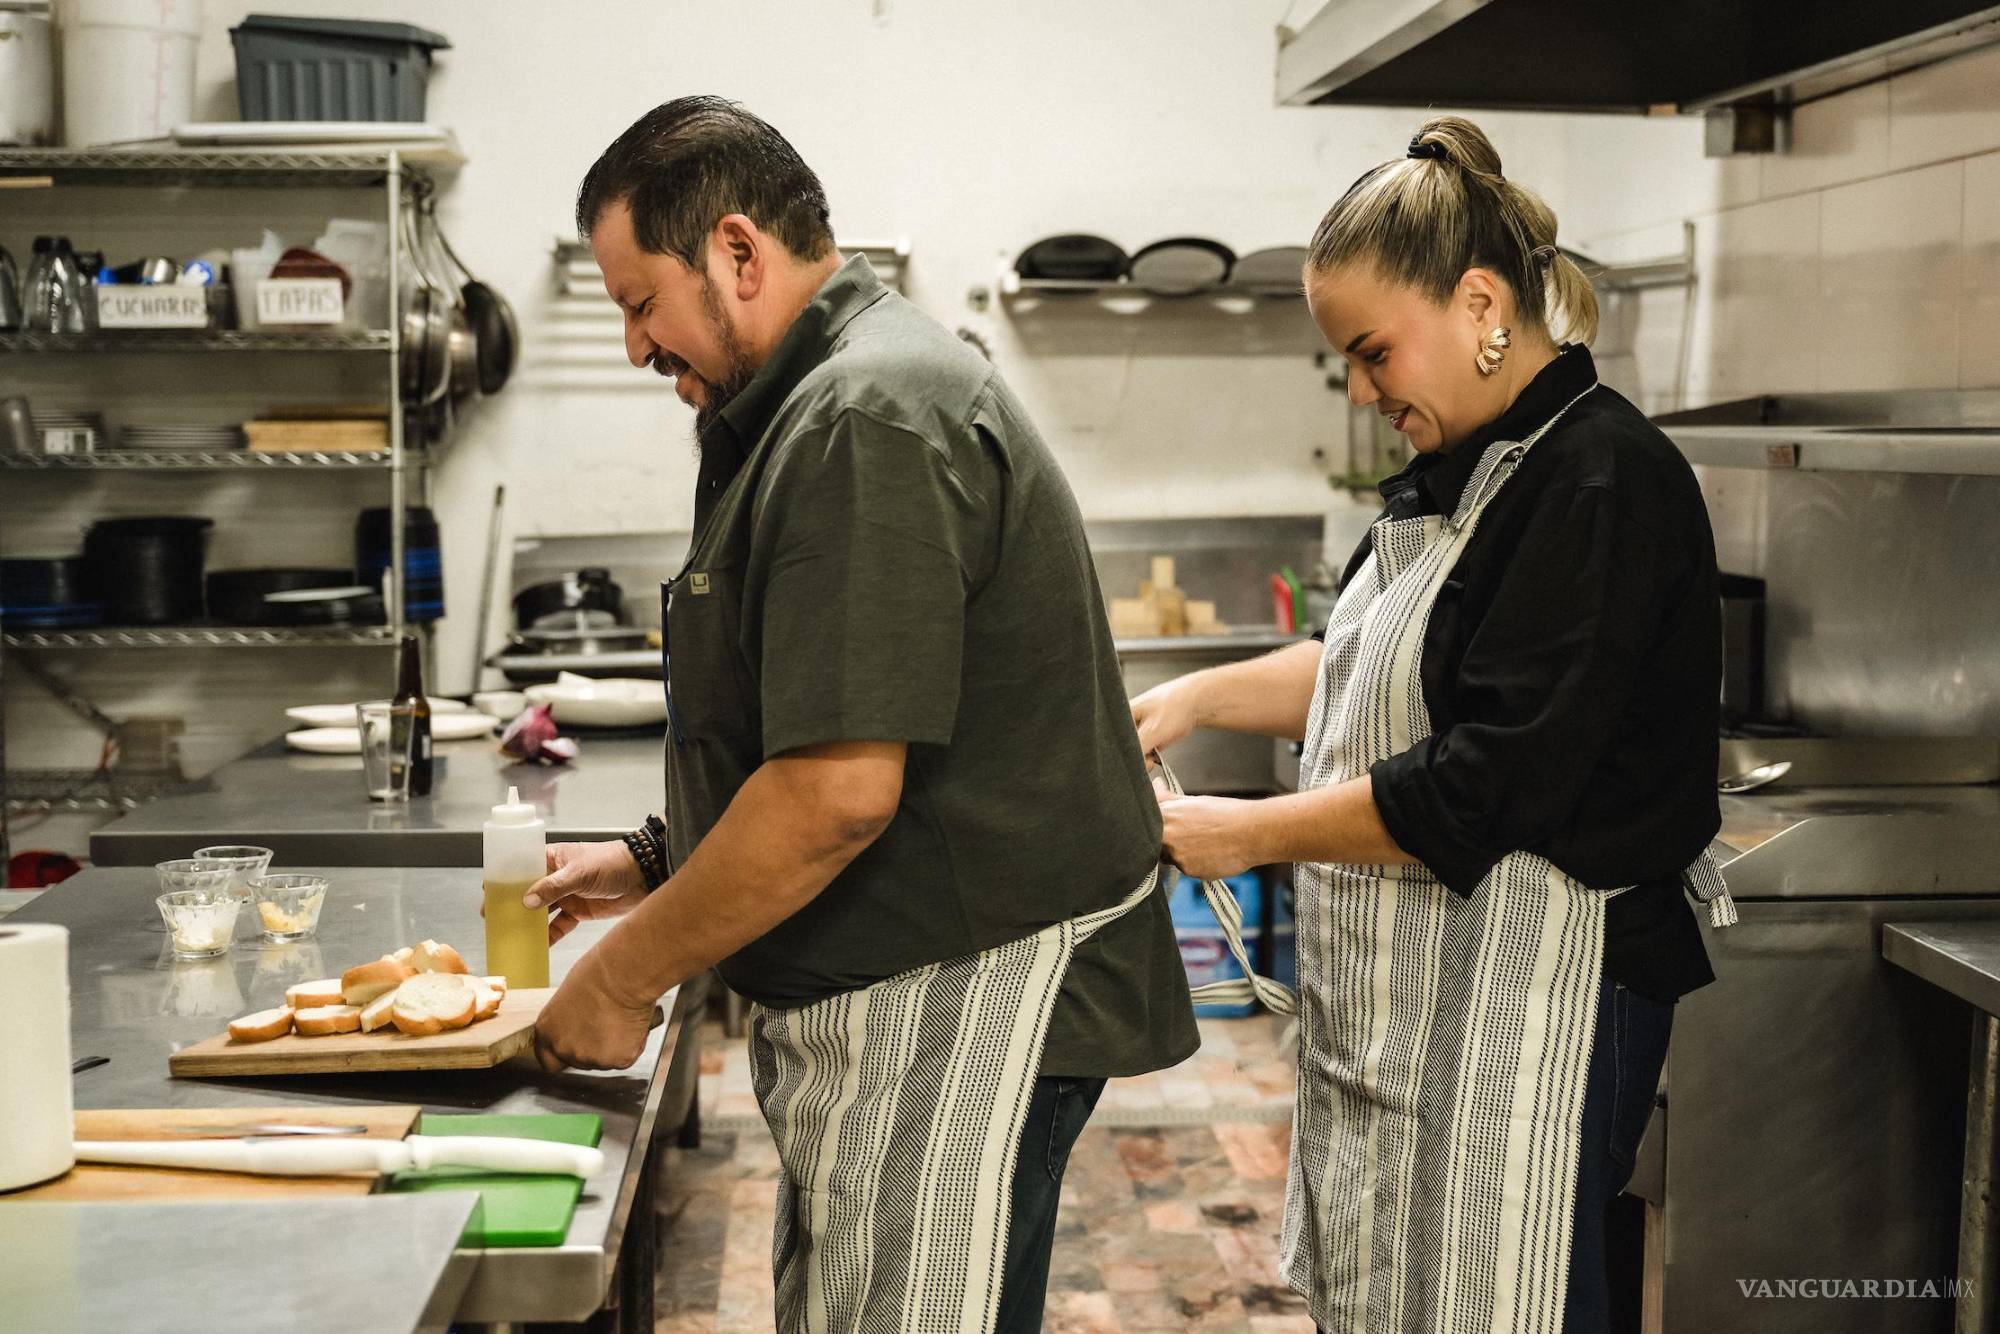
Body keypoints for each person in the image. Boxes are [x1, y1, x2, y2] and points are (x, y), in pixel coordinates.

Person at [527, 96, 1198, 1333]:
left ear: (737, 251)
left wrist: (625, 972)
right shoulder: (819, 399)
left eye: (638, 302)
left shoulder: (864, 415)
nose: (633, 345)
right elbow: (830, 716)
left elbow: (835, 793)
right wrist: (661, 856)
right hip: (915, 997)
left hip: (961, 1003)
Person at [1129, 115, 1735, 1333]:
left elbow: (1483, 782)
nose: (1362, 391)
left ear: (1479, 303)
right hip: (1442, 1009)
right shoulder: (1473, 463)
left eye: (1371, 352)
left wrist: (1243, 834)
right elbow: (1370, 668)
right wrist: (1187, 700)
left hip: (1550, 1007)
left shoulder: (1595, 479)